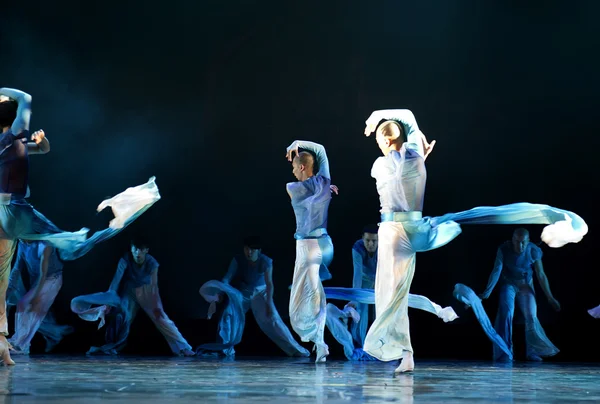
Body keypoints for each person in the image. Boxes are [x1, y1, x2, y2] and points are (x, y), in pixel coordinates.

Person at [360, 109, 587, 373]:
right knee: (474, 217)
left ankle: (403, 348)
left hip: (393, 232)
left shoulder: (380, 164)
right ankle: (410, 351)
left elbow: (399, 148)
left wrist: (377, 120)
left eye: (379, 139)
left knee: (390, 295)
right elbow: (408, 118)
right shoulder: (415, 157)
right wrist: (378, 118)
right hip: (419, 230)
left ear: (386, 142)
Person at [0, 88, 161, 365]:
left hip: (1, 216)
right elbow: (25, 97)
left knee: (2, 281)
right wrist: (3, 91)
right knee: (73, 243)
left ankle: (3, 345)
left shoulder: (14, 143)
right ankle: (127, 211)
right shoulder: (14, 134)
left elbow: (41, 149)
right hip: (15, 210)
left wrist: (43, 141)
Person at [324, 225, 458, 360]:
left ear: (379, 240)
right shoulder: (358, 248)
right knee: (361, 310)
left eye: (374, 241)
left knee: (394, 305)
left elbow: (389, 270)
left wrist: (390, 288)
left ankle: (438, 311)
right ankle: (363, 345)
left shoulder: (385, 246)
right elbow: (357, 273)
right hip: (365, 281)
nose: (370, 244)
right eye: (367, 241)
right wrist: (354, 298)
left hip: (381, 280)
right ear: (362, 239)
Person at [71, 239, 194, 356]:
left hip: (147, 291)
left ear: (146, 250)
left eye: (140, 250)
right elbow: (116, 280)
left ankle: (183, 347)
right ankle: (113, 346)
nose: (137, 253)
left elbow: (154, 287)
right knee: (122, 315)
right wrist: (109, 298)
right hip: (130, 291)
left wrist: (157, 307)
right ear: (131, 249)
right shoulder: (126, 259)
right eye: (135, 250)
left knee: (160, 318)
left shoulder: (152, 263)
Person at [198, 236, 309, 357]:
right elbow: (227, 277)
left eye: (252, 250)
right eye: (247, 249)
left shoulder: (266, 261)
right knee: (228, 314)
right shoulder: (238, 259)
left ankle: (296, 350)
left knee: (272, 320)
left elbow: (269, 284)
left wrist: (269, 305)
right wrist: (221, 291)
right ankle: (225, 349)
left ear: (259, 250)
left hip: (260, 292)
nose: (249, 252)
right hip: (243, 292)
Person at [285, 140, 337, 363]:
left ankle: (318, 340)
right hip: (326, 245)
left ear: (303, 167)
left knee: (298, 303)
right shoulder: (324, 182)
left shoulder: (293, 188)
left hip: (307, 247)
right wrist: (297, 143)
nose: (294, 172)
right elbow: (322, 150)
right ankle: (322, 341)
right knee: (317, 297)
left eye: (295, 167)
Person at [479, 228, 561, 361]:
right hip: (508, 284)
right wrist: (487, 292)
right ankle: (504, 351)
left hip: (525, 284)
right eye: (517, 242)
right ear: (512, 240)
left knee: (531, 316)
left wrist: (550, 297)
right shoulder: (504, 249)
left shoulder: (533, 250)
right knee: (506, 314)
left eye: (523, 242)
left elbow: (540, 274)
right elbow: (496, 270)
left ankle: (532, 350)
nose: (520, 246)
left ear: (528, 241)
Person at [7, 241, 73, 354]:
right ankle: (26, 343)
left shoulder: (44, 245)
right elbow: (17, 268)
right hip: (38, 280)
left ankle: (20, 344)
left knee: (24, 304)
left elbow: (44, 273)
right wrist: (8, 290)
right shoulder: (22, 244)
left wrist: (36, 295)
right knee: (34, 312)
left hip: (52, 278)